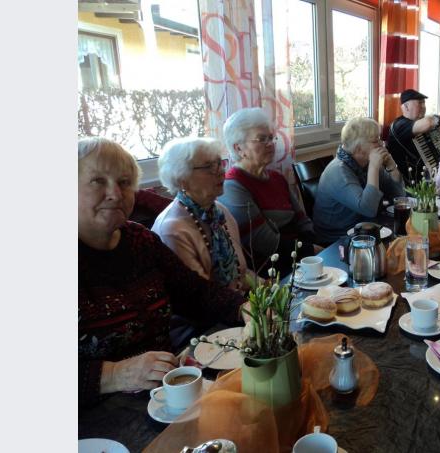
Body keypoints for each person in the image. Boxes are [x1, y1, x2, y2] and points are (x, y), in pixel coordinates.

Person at [78, 137, 244, 407]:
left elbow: (195, 293)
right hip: (98, 418)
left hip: (169, 393)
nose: (115, 194)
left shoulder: (140, 241)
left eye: (124, 182)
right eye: (98, 181)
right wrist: (114, 374)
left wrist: (244, 308)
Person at [218, 108, 316, 277]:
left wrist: (313, 248)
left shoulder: (277, 177)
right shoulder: (233, 186)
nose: (270, 143)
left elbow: (302, 220)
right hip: (271, 270)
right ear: (239, 148)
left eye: (271, 138)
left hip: (301, 257)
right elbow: (266, 244)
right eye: (261, 139)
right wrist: (312, 251)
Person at [151, 137, 253, 292]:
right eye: (208, 166)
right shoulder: (172, 230)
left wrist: (274, 290)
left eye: (219, 162)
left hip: (239, 301)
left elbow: (242, 275)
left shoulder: (219, 211)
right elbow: (201, 295)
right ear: (182, 179)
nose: (221, 171)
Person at [313, 117, 406, 243]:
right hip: (337, 240)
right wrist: (374, 167)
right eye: (375, 141)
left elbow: (399, 197)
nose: (382, 144)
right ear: (358, 148)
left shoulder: (365, 163)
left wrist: (391, 166)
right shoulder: (338, 172)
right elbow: (368, 209)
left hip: (366, 229)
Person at [386, 89, 440, 184]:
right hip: (408, 184)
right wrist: (438, 118)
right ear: (406, 107)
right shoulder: (399, 124)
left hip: (426, 180)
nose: (423, 107)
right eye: (420, 103)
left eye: (424, 103)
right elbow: (429, 123)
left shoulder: (417, 123)